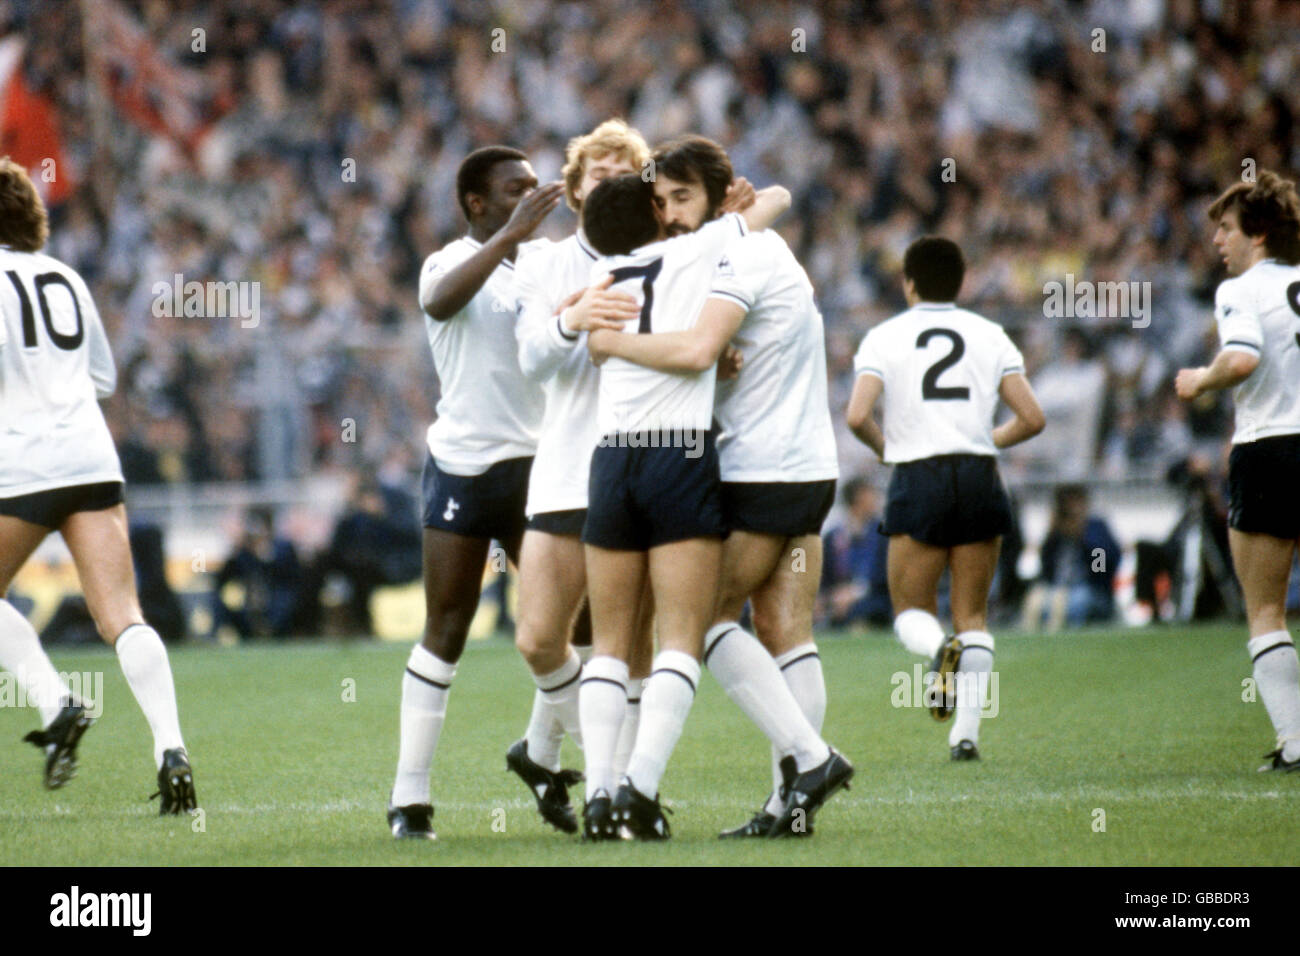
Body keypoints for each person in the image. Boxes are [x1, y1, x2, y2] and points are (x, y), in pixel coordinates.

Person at [587, 135, 852, 839]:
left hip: (760, 468)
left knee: (699, 621)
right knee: (784, 629)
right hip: (802, 460)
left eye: (683, 198)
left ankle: (810, 760)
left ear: (716, 193)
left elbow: (698, 349)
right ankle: (786, 806)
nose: (671, 215)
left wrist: (611, 344)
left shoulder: (739, 254)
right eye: (663, 202)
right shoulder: (746, 248)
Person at [0, 157, 196, 813]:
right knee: (123, 616)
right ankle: (171, 747)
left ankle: (58, 705)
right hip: (89, 457)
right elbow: (103, 380)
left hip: (20, 463)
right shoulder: (65, 277)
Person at [387, 147, 563, 840]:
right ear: (476, 204)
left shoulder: (548, 265)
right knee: (448, 628)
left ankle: (541, 755)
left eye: (533, 185)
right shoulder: (447, 261)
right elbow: (439, 302)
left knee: (566, 630)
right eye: (513, 189)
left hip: (539, 467)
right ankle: (410, 799)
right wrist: (509, 237)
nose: (530, 197)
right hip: (462, 467)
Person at [846, 236, 1045, 761]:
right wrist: (985, 441)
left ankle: (938, 651)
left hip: (918, 474)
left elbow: (855, 414)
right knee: (973, 616)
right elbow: (1032, 418)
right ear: (961, 282)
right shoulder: (990, 333)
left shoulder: (884, 337)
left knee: (910, 607)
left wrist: (888, 449)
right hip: (979, 476)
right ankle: (966, 737)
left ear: (908, 282)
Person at [507, 119, 652, 833]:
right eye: (600, 173)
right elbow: (532, 357)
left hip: (649, 468)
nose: (613, 184)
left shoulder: (674, 257)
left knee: (630, 651)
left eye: (628, 174)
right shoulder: (546, 264)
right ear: (572, 191)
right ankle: (585, 766)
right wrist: (573, 322)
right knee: (539, 637)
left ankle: (612, 787)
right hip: (566, 469)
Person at [1174, 170, 1300, 772]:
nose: (1218, 241)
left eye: (1226, 228)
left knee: (1266, 610)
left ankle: (1297, 742)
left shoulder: (1242, 290)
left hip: (1270, 448)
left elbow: (1244, 357)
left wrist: (1201, 378)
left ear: (1258, 233)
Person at [1021, 484, 1121, 630]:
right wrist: (1053, 534)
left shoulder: (1096, 527)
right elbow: (1046, 568)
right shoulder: (1056, 532)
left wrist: (1084, 537)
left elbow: (1101, 568)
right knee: (1037, 600)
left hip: (1090, 588)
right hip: (1057, 588)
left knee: (1076, 600)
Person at [822, 478, 892, 629]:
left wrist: (854, 593)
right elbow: (825, 576)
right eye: (870, 494)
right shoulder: (834, 536)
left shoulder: (883, 534)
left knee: (869, 608)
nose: (876, 498)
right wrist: (830, 595)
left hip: (873, 596)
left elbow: (883, 576)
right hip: (838, 598)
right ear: (858, 499)